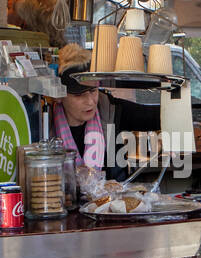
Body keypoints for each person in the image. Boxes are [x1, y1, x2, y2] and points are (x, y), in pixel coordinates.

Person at [51, 43, 159, 176]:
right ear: (59, 96)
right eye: (79, 95)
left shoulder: (110, 109)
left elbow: (154, 117)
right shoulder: (45, 124)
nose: (90, 102)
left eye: (93, 90)